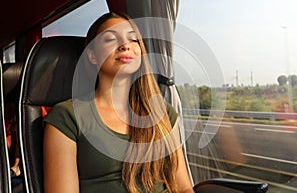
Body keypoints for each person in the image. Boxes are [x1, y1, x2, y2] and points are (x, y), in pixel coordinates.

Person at [43, 12, 194, 193]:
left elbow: (183, 188)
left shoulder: (163, 113)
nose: (125, 46)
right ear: (92, 56)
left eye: (133, 39)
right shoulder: (67, 117)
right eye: (110, 40)